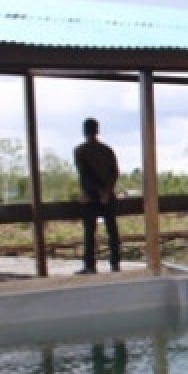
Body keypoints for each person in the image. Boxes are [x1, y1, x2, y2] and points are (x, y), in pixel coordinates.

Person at [73, 117, 121, 273]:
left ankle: (90, 265)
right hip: (107, 196)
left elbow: (85, 175)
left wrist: (97, 192)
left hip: (90, 196)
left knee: (89, 232)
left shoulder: (80, 151)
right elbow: (115, 173)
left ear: (84, 131)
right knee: (112, 230)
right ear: (97, 130)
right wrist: (106, 192)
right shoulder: (107, 150)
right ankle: (115, 263)